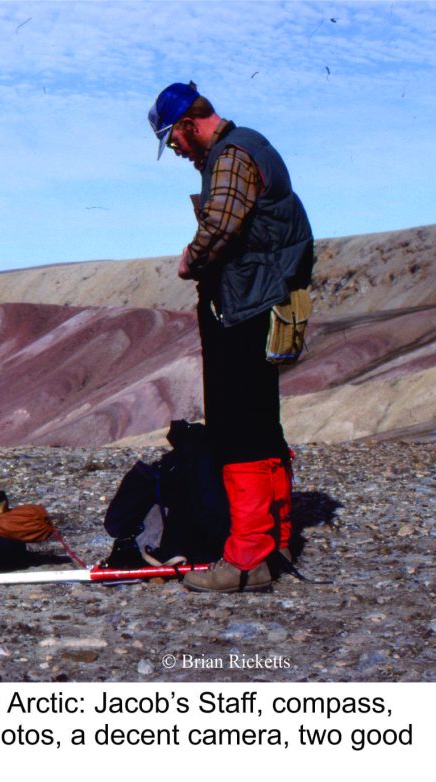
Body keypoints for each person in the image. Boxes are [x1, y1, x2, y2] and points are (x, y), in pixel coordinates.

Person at [148, 81, 314, 592]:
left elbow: (220, 224)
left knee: (236, 427)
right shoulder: (249, 147)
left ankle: (245, 559)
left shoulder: (231, 155)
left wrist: (189, 259)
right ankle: (277, 542)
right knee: (263, 422)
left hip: (244, 308)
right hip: (266, 304)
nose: (174, 150)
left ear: (186, 125)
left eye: (170, 138)